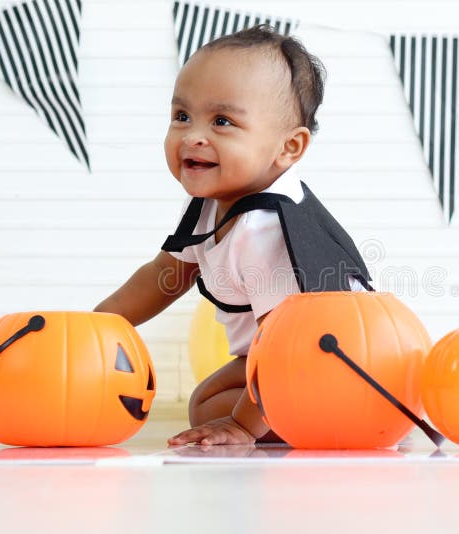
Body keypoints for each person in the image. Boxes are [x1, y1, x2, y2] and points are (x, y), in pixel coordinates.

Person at [95, 25, 371, 446]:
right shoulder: (214, 203)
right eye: (182, 116)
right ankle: (310, 419)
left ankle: (339, 420)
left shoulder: (266, 229)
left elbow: (287, 343)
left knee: (215, 409)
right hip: (285, 355)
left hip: (344, 363)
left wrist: (242, 426)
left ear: (288, 148)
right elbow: (164, 276)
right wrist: (94, 326)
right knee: (207, 402)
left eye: (222, 121)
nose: (193, 136)